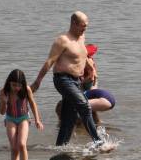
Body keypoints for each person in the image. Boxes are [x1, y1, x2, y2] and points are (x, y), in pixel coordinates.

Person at [32, 12, 105, 148]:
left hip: (77, 81)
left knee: (68, 118)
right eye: (83, 26)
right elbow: (49, 62)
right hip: (63, 80)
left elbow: (82, 56)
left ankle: (60, 147)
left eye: (86, 26)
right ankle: (98, 142)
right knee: (84, 105)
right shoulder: (62, 40)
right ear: (74, 24)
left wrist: (92, 68)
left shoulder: (81, 37)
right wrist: (38, 82)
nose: (85, 29)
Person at [0, 69, 44, 160]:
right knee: (14, 148)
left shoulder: (26, 89)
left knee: (22, 144)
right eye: (14, 85)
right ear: (9, 82)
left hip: (24, 118)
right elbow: (2, 112)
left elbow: (33, 104)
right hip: (10, 119)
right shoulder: (4, 92)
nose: (16, 88)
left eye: (19, 85)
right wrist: (4, 102)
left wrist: (37, 120)